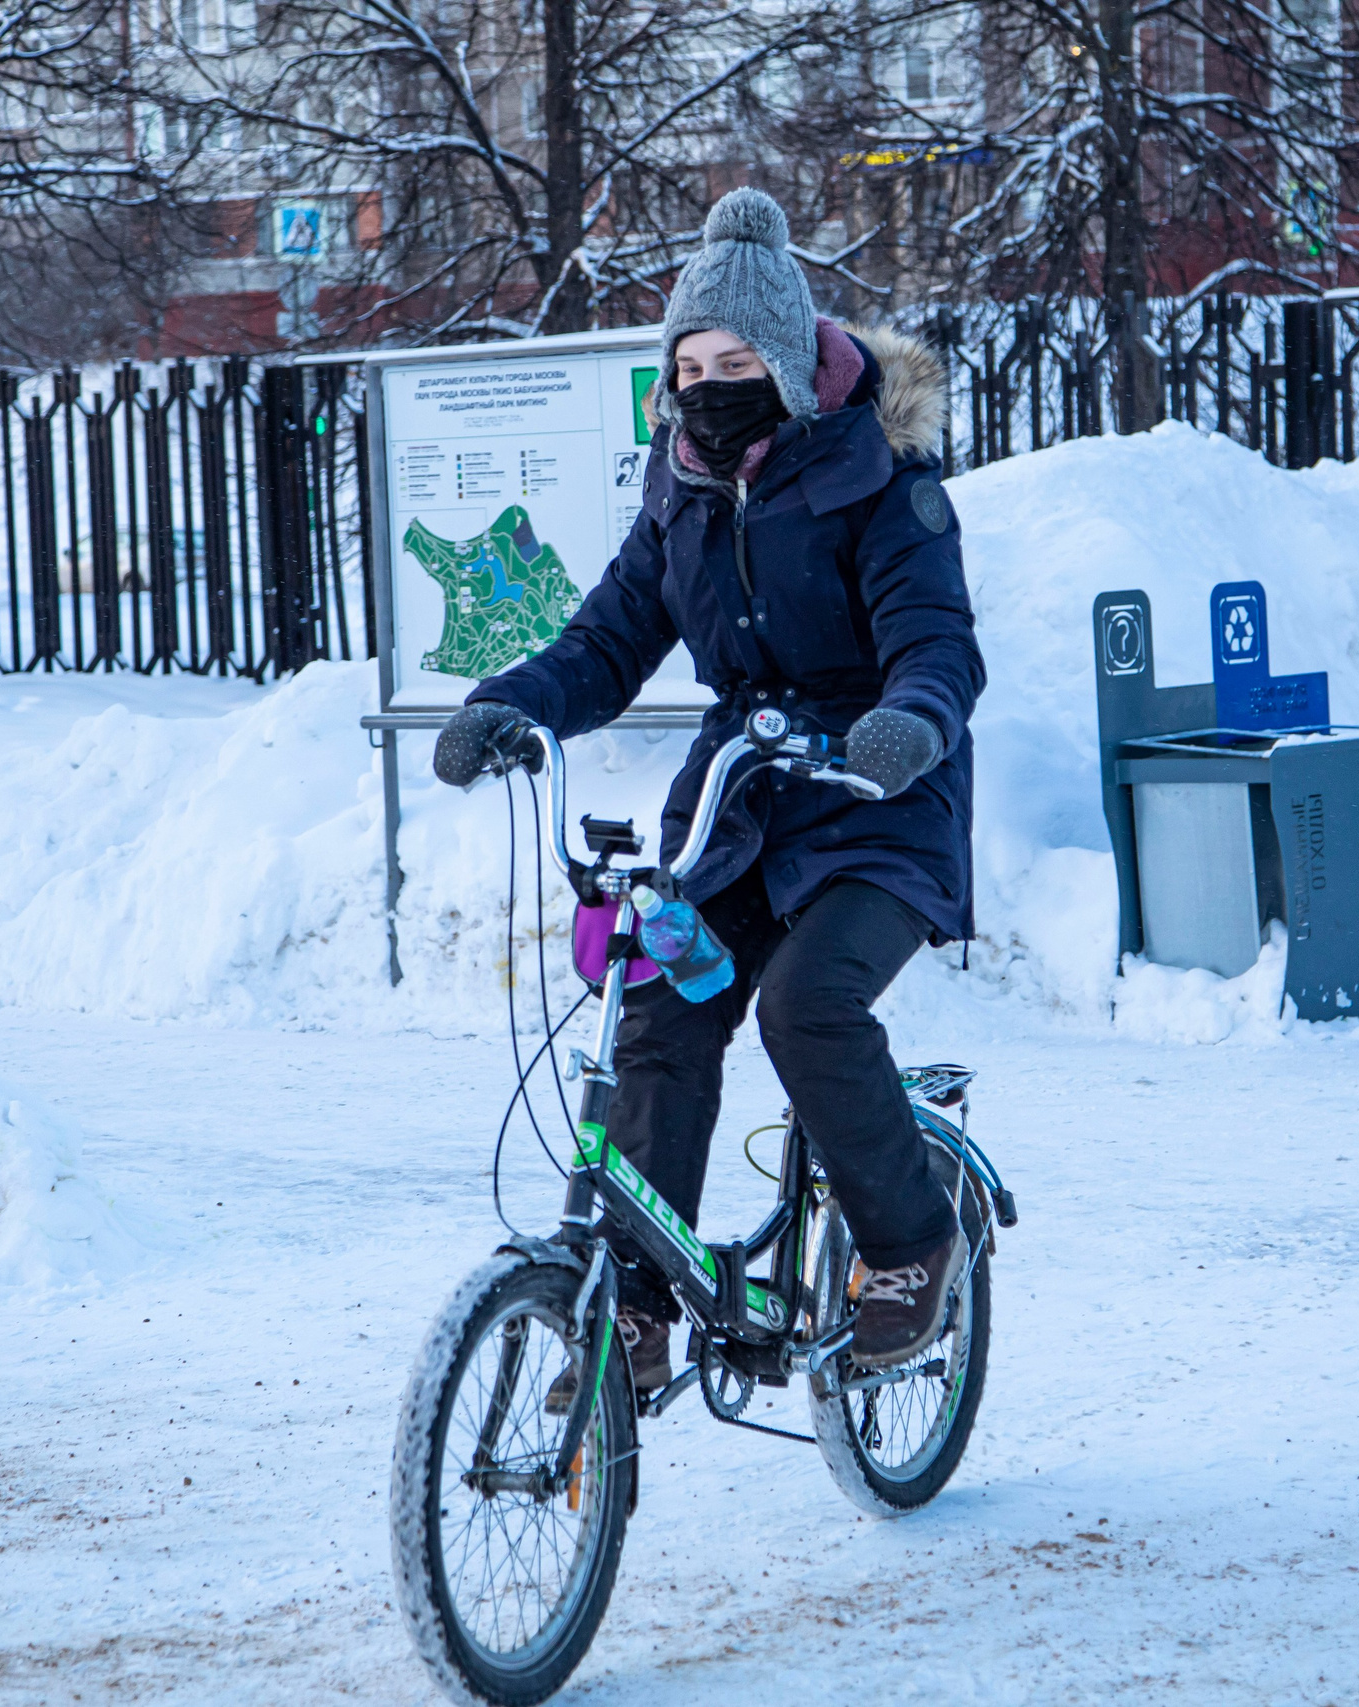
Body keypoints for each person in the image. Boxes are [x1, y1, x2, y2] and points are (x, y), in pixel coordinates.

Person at [433, 187, 983, 1386]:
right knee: (660, 1016)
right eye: (689, 361)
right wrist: (512, 703)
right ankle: (632, 1302)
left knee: (804, 1008)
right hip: (740, 812)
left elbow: (938, 645)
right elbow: (609, 638)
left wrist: (905, 726)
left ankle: (909, 1240)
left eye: (736, 359)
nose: (710, 381)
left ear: (785, 362)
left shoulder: (881, 481)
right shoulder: (680, 485)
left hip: (879, 807)